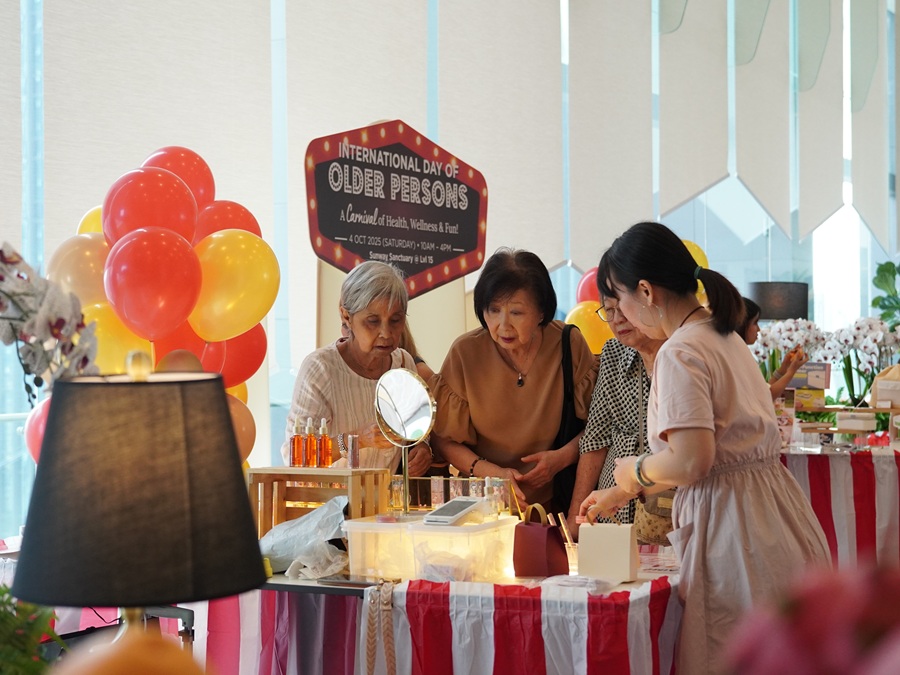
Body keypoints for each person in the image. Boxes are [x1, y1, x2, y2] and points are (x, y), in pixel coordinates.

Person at [578, 222, 830, 674]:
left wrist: (632, 471)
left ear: (645, 291)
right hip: (772, 516)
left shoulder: (681, 351)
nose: (620, 316)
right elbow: (716, 453)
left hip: (734, 533)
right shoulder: (724, 336)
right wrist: (622, 492)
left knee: (732, 656)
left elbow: (694, 459)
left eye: (619, 301)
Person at [430, 248, 598, 510]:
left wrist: (561, 459)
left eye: (516, 313)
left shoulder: (568, 344)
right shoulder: (465, 353)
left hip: (555, 503)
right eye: (493, 310)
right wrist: (491, 473)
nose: (503, 325)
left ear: (541, 311)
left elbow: (599, 426)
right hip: (484, 503)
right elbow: (443, 439)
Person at [281, 261, 431, 476]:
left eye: (395, 320)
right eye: (373, 321)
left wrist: (423, 448)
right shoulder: (321, 369)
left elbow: (416, 430)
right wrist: (358, 440)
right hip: (329, 497)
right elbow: (295, 458)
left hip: (384, 496)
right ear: (346, 317)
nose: (386, 333)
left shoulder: (404, 364)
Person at [565, 298, 665, 539]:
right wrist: (575, 521)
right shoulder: (613, 352)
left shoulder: (680, 355)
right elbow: (595, 440)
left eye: (623, 308)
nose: (618, 319)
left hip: (669, 507)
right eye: (609, 310)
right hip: (611, 508)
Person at [739, 297, 809, 401]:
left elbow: (764, 390)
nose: (759, 329)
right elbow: (766, 397)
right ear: (741, 324)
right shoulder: (738, 359)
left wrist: (784, 367)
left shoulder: (741, 354)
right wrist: (791, 371)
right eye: (755, 323)